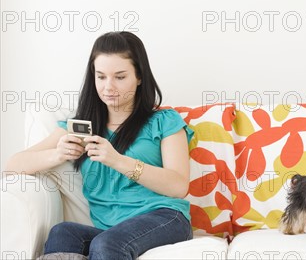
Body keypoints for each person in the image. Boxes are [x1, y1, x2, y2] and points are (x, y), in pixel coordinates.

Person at [5, 32, 194, 260]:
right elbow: (13, 166)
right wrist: (57, 154)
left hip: (164, 218)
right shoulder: (80, 125)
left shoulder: (164, 121)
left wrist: (117, 160)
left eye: (120, 77)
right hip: (109, 228)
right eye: (101, 77)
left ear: (140, 76)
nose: (108, 87)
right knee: (62, 232)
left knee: (107, 244)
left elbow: (178, 186)